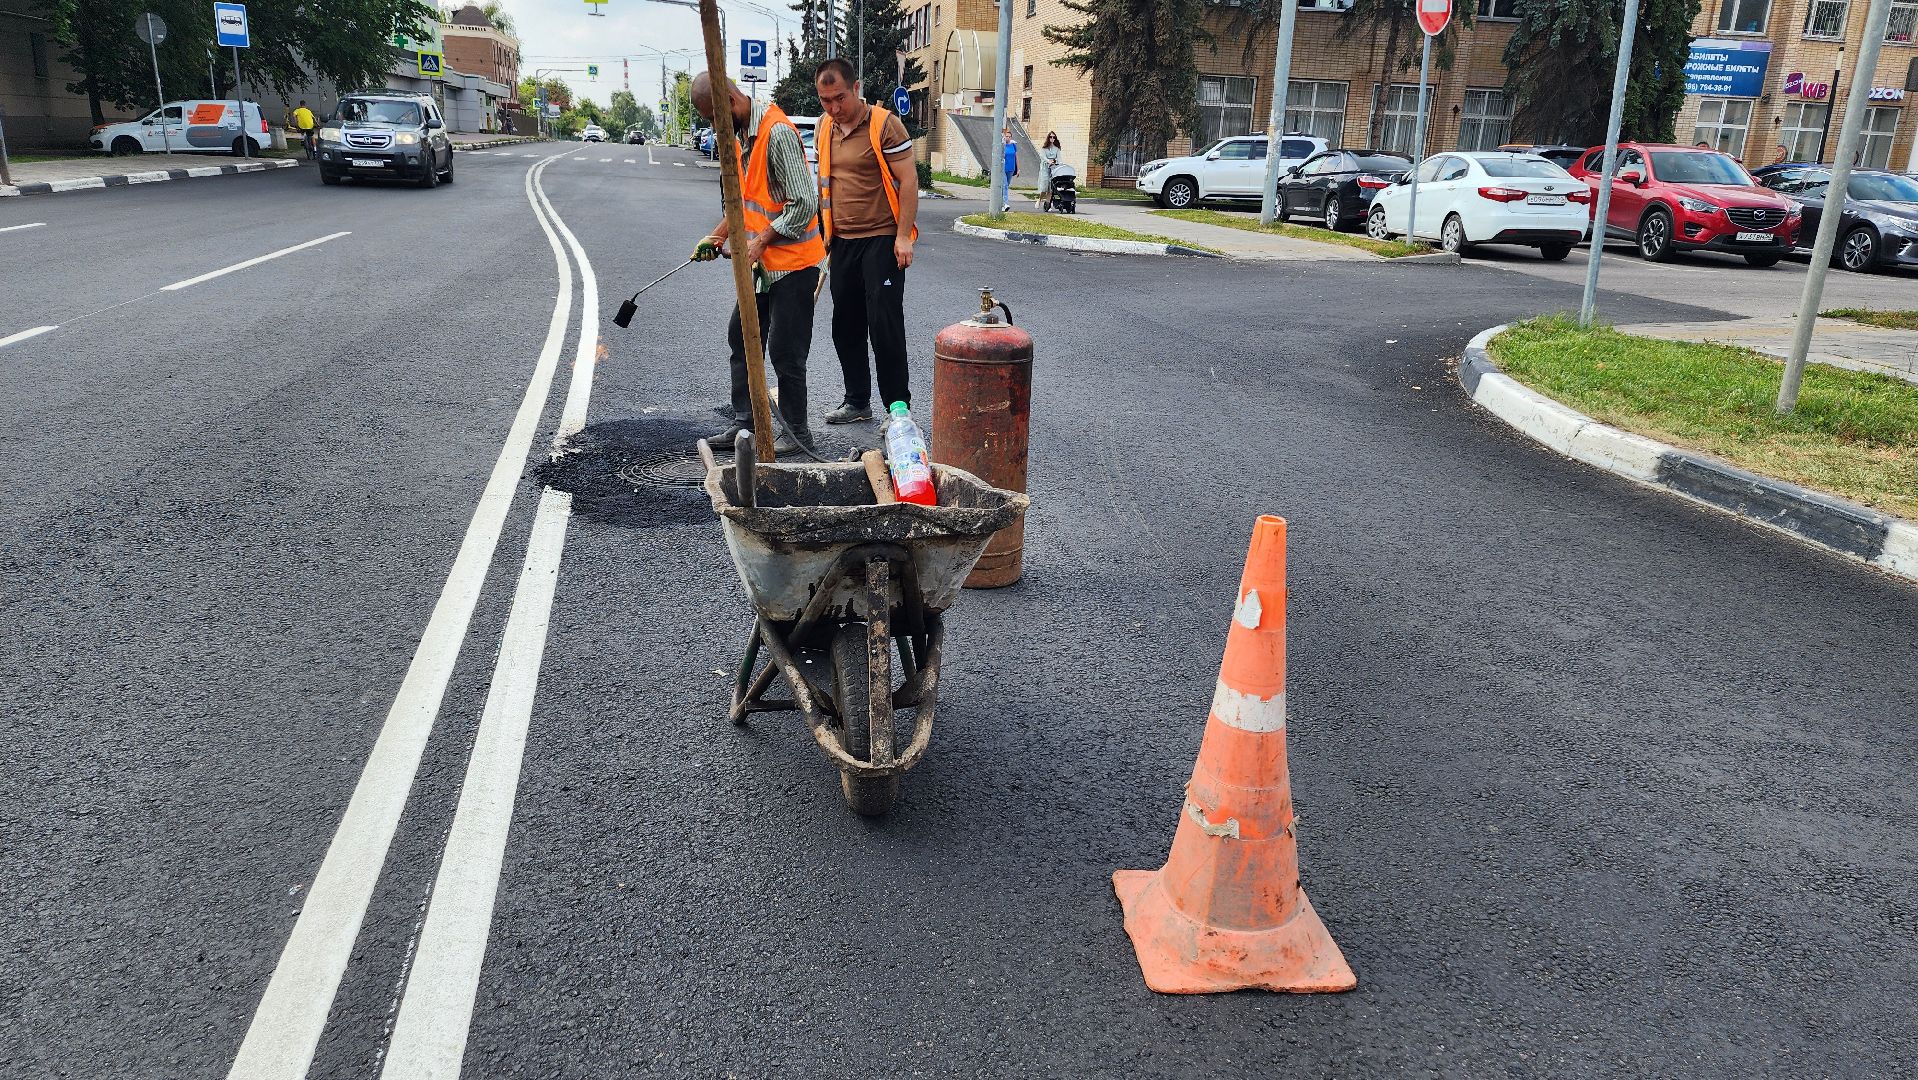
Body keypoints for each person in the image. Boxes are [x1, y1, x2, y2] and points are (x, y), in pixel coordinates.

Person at [688, 72, 825, 455]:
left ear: (731, 101)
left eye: (713, 117)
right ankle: (745, 423)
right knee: (742, 336)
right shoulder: (742, 140)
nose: (713, 126)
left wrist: (760, 241)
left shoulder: (776, 133)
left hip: (794, 265)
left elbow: (804, 203)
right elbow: (745, 206)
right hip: (763, 267)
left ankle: (797, 432)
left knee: (785, 349)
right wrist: (716, 237)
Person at [813, 56, 920, 427]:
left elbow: (909, 180)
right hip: (842, 241)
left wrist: (903, 236)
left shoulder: (884, 124)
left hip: (882, 239)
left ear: (856, 88)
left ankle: (898, 407)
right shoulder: (823, 128)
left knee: (884, 324)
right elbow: (824, 182)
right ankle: (857, 401)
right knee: (845, 326)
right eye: (825, 100)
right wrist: (824, 235)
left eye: (840, 98)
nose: (834, 107)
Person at [1038, 131, 1062, 211]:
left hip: (1053, 168)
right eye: (1050, 137)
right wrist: (1049, 161)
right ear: (1048, 138)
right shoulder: (1044, 148)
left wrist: (1059, 164)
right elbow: (1043, 157)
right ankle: (1039, 199)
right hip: (1045, 168)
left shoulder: (1057, 149)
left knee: (1051, 188)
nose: (1052, 138)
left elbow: (1059, 158)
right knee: (1044, 187)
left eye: (1054, 137)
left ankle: (1048, 204)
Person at [1002, 127, 1019, 213]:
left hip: (1011, 168)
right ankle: (1005, 204)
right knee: (1004, 185)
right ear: (1004, 137)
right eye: (1006, 136)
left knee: (1006, 186)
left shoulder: (1013, 145)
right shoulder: (1002, 145)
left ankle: (1001, 203)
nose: (1008, 138)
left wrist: (1018, 169)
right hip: (1003, 169)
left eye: (1009, 136)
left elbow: (1016, 157)